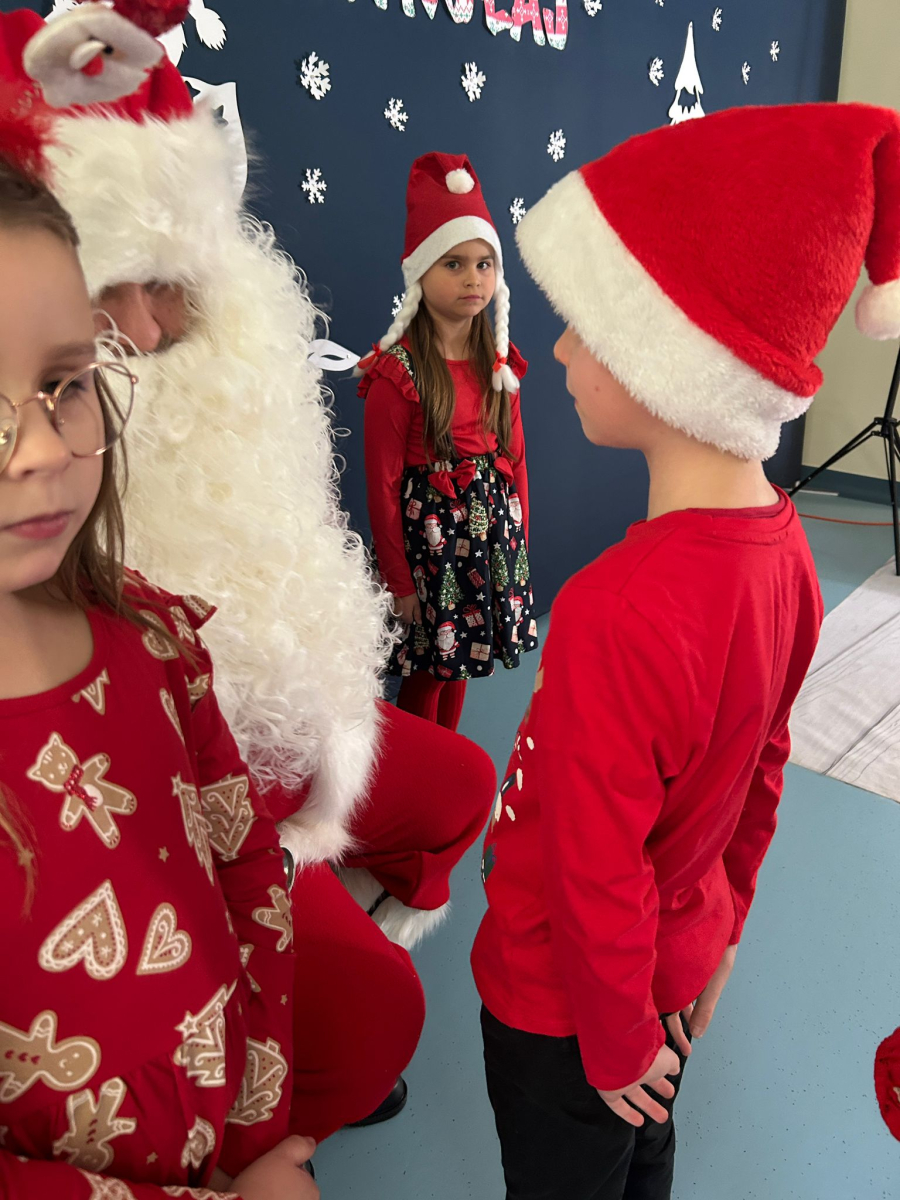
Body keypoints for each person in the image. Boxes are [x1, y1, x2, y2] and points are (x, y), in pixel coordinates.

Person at [14, 0, 496, 1136]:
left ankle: (303, 991)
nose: (148, 331)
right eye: (107, 293)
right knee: (374, 1013)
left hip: (279, 730)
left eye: (170, 281)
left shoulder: (240, 392)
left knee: (460, 788)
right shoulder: (54, 486)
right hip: (160, 802)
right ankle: (276, 1103)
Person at [470, 101, 900, 1199]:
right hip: (671, 963)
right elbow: (763, 767)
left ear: (669, 358)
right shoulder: (788, 553)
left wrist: (615, 1043)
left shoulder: (616, 609)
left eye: (588, 324)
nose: (559, 349)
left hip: (567, 1008)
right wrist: (727, 931)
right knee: (647, 1152)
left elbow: (593, 862)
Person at [0, 125, 316, 1200]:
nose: (44, 448)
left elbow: (248, 873)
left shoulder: (154, 636)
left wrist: (259, 1130)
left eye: (65, 383)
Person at [359, 153, 538, 731]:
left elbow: (516, 460)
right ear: (420, 273)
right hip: (432, 555)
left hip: (488, 543)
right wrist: (400, 581)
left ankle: (447, 756)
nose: (472, 278)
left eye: (484, 264)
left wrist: (518, 548)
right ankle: (418, 768)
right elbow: (382, 488)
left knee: (464, 666)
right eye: (454, 263)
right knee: (429, 674)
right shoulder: (399, 374)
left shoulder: (499, 365)